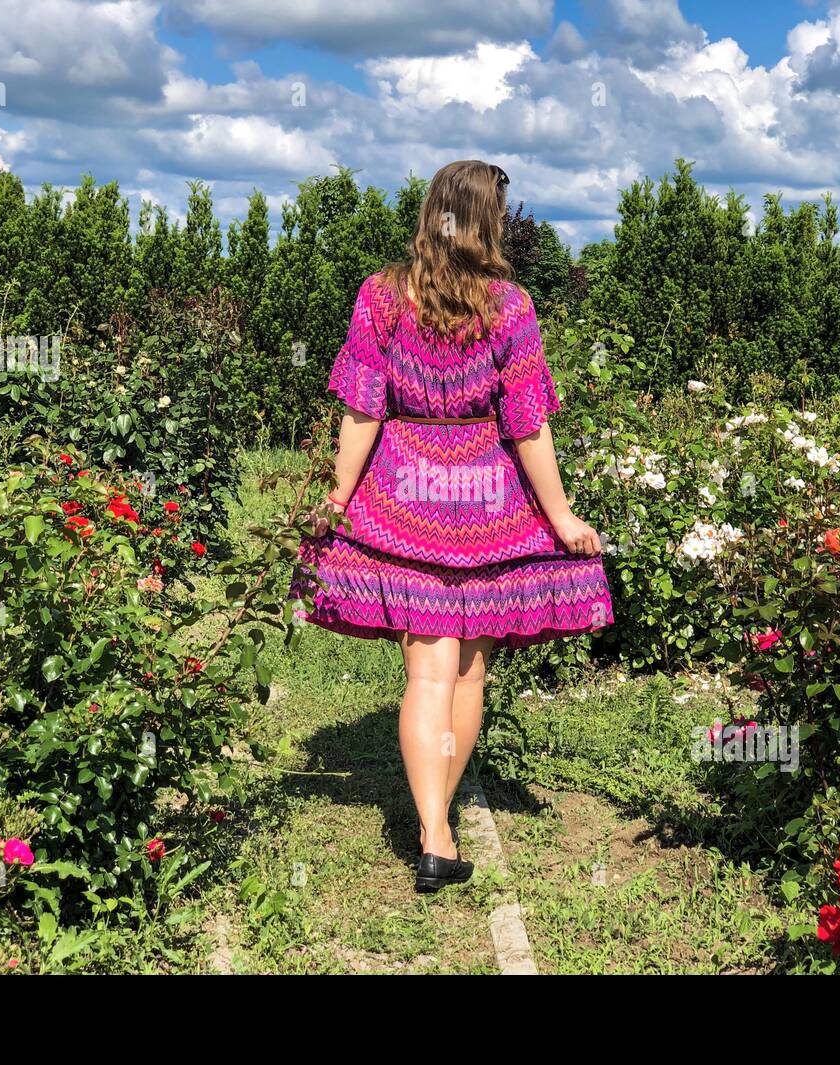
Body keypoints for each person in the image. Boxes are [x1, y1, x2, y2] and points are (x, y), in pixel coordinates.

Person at [293, 159, 613, 893]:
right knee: (469, 669)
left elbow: (363, 406)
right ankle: (439, 829)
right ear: (484, 221)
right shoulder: (512, 306)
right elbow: (527, 423)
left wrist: (337, 498)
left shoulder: (380, 296)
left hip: (403, 492)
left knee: (426, 670)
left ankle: (433, 829)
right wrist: (560, 516)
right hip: (487, 497)